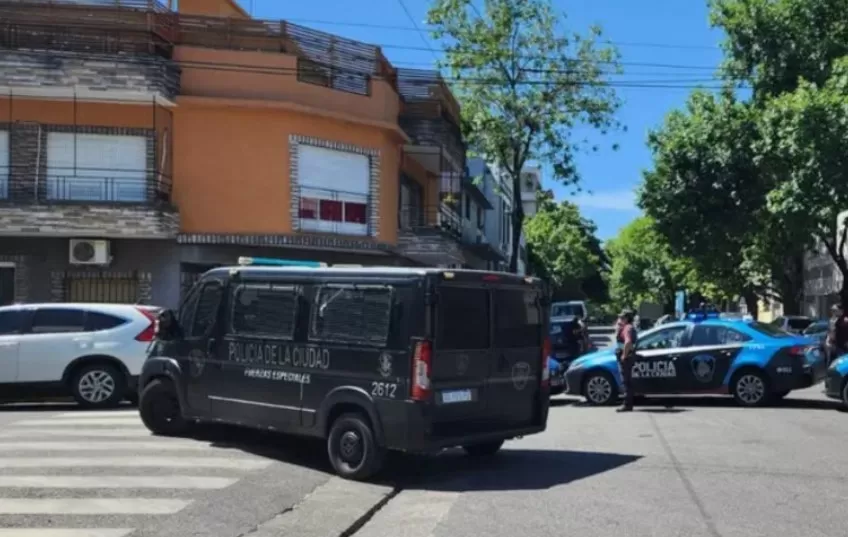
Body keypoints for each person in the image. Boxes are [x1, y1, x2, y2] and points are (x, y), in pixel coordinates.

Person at [614, 309, 639, 412]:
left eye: (622, 317)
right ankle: (628, 403)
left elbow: (628, 342)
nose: (620, 319)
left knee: (626, 381)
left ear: (627, 318)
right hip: (629, 356)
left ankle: (627, 405)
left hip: (627, 357)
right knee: (627, 381)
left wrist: (624, 355)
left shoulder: (627, 328)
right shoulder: (628, 327)